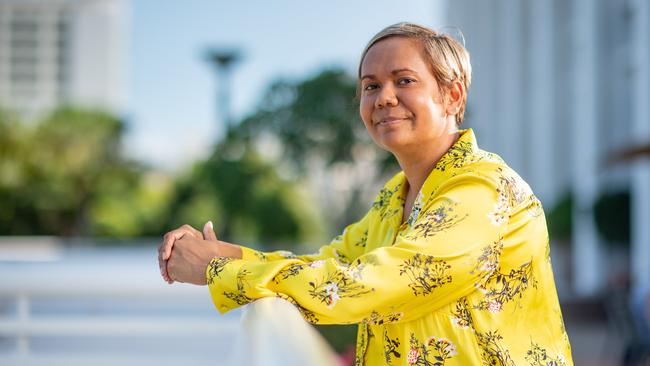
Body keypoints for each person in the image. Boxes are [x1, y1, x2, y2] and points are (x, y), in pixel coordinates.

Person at [158, 22, 573, 365]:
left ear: (453, 95)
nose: (384, 98)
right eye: (370, 86)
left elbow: (366, 286)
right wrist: (222, 255)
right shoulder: (395, 197)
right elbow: (330, 264)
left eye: (404, 81)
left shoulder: (483, 189)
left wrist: (218, 272)